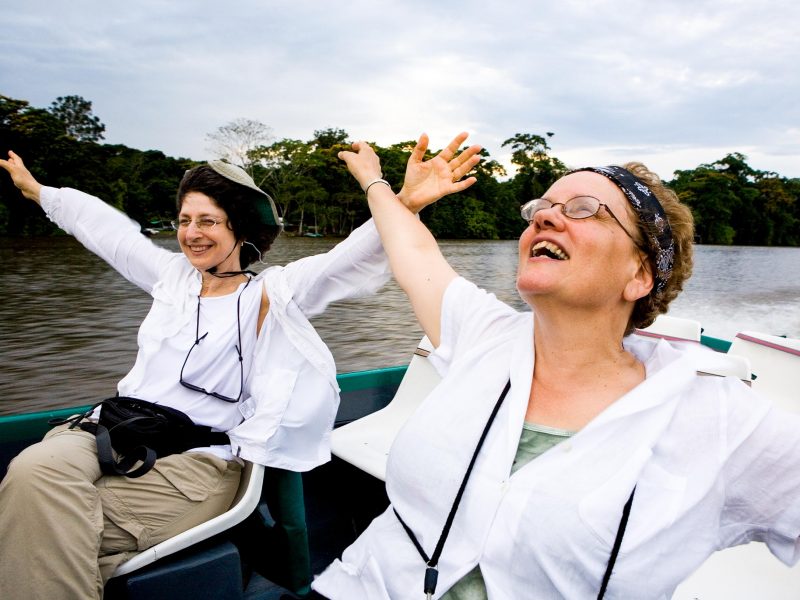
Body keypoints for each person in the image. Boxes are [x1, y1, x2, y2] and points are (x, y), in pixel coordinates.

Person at [311, 134, 800, 599]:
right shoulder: (484, 333)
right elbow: (412, 248)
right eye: (539, 209)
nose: (545, 219)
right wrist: (384, 186)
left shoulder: (719, 416)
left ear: (640, 274)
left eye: (584, 210)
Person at [0, 142, 469, 599]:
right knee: (30, 473)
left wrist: (399, 202)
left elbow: (341, 262)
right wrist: (43, 192)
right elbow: (108, 232)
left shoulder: (270, 294)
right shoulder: (171, 278)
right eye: (185, 220)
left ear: (238, 229)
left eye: (208, 221)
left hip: (200, 459)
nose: (192, 233)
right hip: (113, 427)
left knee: (41, 529)